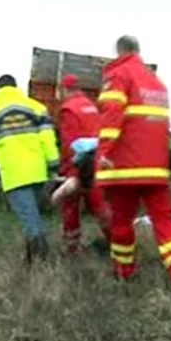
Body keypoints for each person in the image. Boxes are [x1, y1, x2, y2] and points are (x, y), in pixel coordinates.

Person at [95, 35, 171, 296]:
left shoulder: (118, 75)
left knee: (122, 222)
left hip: (126, 168)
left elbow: (111, 116)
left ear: (119, 51)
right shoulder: (157, 83)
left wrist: (103, 152)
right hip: (156, 169)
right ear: (138, 51)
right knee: (165, 222)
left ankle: (123, 273)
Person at [0, 74, 60, 263]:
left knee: (30, 218)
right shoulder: (37, 107)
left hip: (14, 173)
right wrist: (53, 164)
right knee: (31, 213)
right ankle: (30, 261)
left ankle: (42, 262)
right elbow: (48, 138)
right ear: (16, 87)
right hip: (38, 171)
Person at [56, 74, 112, 256]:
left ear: (65, 89)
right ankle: (118, 245)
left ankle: (72, 248)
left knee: (70, 204)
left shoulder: (68, 109)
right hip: (97, 163)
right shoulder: (90, 106)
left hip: (80, 166)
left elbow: (69, 144)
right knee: (100, 206)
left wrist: (69, 172)